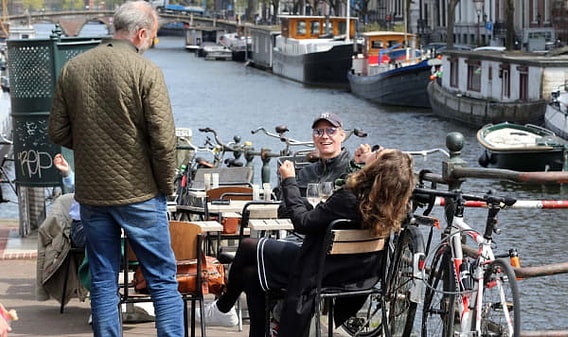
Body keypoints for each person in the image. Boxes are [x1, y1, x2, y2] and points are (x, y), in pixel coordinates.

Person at [48, 2, 183, 337]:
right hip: (141, 192)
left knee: (104, 279)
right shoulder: (146, 71)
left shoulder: (74, 68)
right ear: (140, 33)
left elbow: (57, 131)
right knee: (162, 279)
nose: (150, 42)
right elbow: (164, 141)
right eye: (151, 36)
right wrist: (167, 186)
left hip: (93, 194)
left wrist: (93, 145)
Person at [199, 147, 415, 337]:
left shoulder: (349, 199)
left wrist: (289, 181)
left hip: (317, 272)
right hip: (354, 276)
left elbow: (302, 223)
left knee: (248, 247)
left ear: (376, 170)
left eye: (377, 154)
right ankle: (252, 328)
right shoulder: (392, 207)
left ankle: (223, 307)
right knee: (251, 275)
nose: (374, 151)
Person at [278, 112, 358, 217]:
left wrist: (305, 204)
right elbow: (283, 209)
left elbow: (347, 208)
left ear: (342, 136)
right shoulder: (305, 172)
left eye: (331, 131)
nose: (324, 136)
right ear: (313, 137)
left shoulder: (353, 170)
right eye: (318, 132)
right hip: (304, 230)